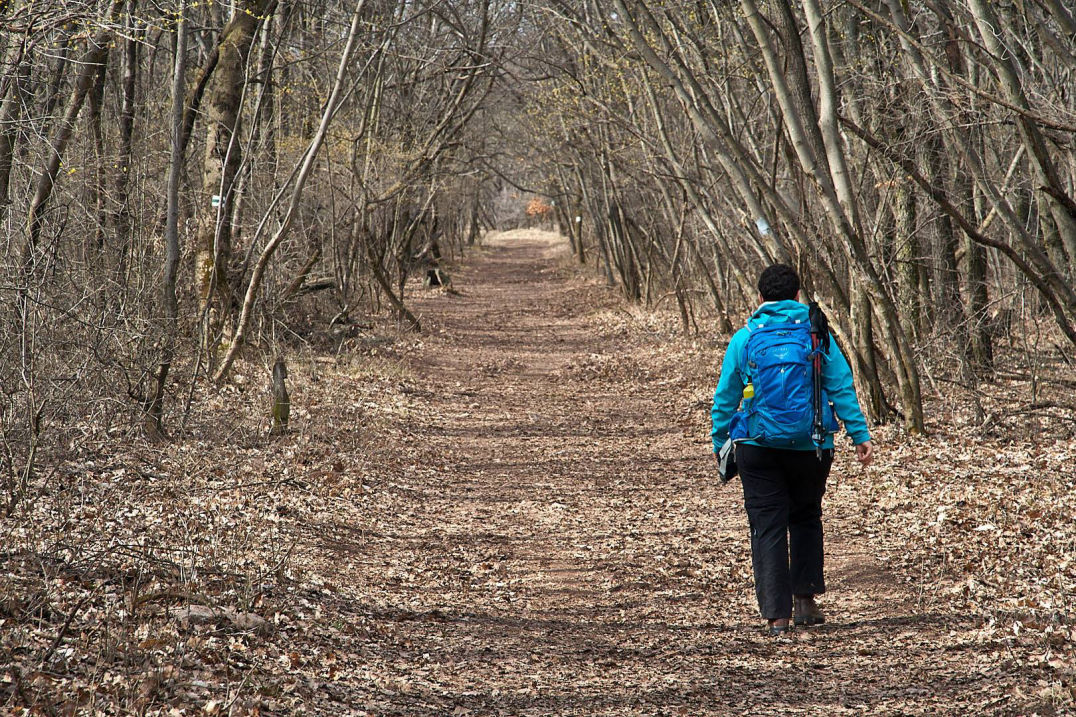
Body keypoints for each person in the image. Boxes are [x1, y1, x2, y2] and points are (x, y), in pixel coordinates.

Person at [711, 264, 873, 636]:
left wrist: (721, 441)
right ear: (798, 297)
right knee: (805, 517)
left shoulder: (746, 337)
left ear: (760, 299)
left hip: (757, 446)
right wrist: (859, 434)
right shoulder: (817, 335)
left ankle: (776, 617)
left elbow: (725, 397)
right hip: (811, 445)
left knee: (766, 526)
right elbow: (841, 386)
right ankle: (805, 603)